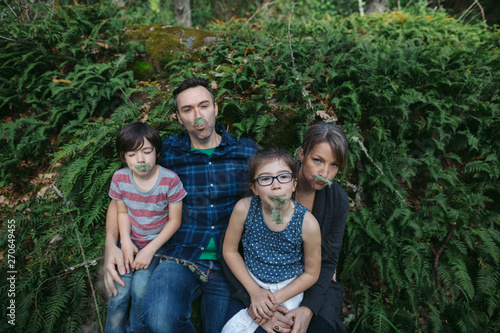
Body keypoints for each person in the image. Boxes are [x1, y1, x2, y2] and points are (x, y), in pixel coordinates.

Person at [103, 78, 259, 333]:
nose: (198, 115)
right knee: (160, 320)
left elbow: (280, 192)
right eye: (187, 109)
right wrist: (111, 246)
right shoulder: (168, 154)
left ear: (216, 108)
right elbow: (121, 198)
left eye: (204, 106)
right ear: (178, 117)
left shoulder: (247, 152)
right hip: (179, 256)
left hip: (229, 262)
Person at [222, 122, 349, 333]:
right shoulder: (271, 180)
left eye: (334, 165)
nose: (324, 173)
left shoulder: (337, 201)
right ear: (302, 154)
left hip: (313, 284)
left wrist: (309, 308)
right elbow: (230, 249)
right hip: (258, 278)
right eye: (317, 160)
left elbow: (326, 263)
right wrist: (255, 298)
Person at [221, 148, 322, 333]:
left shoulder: (308, 223)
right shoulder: (244, 209)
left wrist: (274, 300)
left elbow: (311, 273)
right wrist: (254, 292)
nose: (275, 185)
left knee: (284, 328)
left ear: (294, 184)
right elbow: (229, 250)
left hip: (289, 287)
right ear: (254, 188)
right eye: (265, 179)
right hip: (251, 280)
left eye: (283, 177)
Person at [104, 122, 186, 332]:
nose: (140, 159)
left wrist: (150, 250)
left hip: (156, 247)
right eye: (132, 154)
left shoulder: (170, 181)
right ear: (123, 157)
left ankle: (135, 329)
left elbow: (174, 221)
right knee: (119, 291)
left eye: (146, 152)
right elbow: (122, 212)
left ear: (157, 152)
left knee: (140, 289)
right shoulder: (120, 178)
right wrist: (126, 243)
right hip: (129, 243)